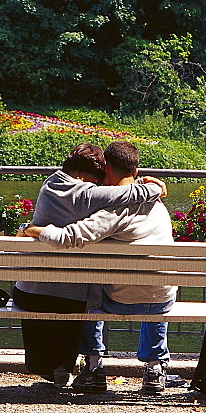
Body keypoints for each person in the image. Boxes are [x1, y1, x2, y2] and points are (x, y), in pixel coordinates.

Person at [21, 140, 176, 395]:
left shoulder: (112, 211)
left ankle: (94, 367)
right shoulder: (157, 203)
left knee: (88, 286)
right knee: (156, 285)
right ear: (135, 171)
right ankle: (154, 368)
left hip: (120, 299)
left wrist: (34, 229)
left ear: (106, 170)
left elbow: (70, 237)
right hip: (161, 299)